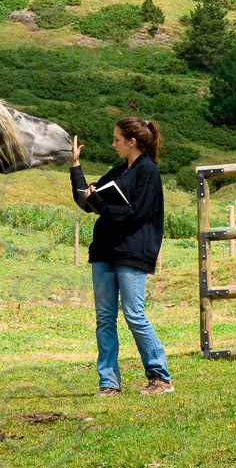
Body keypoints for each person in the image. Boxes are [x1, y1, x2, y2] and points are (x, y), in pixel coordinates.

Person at [70, 117, 173, 396]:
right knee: (104, 317)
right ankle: (108, 382)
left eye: (117, 140)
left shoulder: (148, 172)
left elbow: (134, 214)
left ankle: (160, 377)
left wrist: (100, 201)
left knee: (134, 314)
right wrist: (75, 167)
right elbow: (86, 202)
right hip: (104, 250)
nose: (113, 144)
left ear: (132, 142)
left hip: (132, 251)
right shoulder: (116, 172)